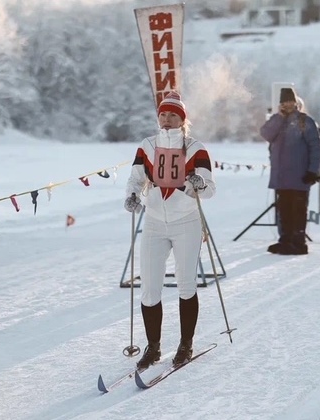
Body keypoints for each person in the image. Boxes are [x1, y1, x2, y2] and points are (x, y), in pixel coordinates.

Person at [124, 91, 216, 368]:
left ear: (182, 120)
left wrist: (198, 183)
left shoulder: (196, 148)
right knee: (150, 289)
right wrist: (132, 195)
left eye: (172, 115)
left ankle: (185, 344)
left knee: (186, 285)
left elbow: (210, 189)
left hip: (185, 221)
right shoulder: (147, 145)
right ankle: (153, 347)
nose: (166, 120)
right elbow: (136, 178)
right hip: (154, 221)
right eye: (163, 114)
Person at [260, 87, 320, 255]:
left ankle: (298, 242)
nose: (287, 104)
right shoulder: (277, 120)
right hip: (281, 176)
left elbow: (315, 147)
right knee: (284, 210)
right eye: (284, 102)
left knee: (298, 209)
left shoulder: (305, 121)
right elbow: (266, 134)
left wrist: (312, 170)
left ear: (295, 102)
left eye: (290, 101)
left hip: (300, 176)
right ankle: (285, 240)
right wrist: (279, 117)